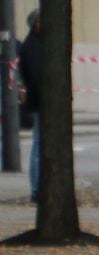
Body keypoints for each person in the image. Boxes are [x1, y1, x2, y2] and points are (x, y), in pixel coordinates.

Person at [19, 11, 44, 204]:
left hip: (37, 102)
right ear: (37, 24)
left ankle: (38, 188)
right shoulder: (33, 47)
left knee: (39, 145)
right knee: (38, 145)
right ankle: (36, 189)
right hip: (39, 103)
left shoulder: (32, 45)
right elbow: (36, 77)